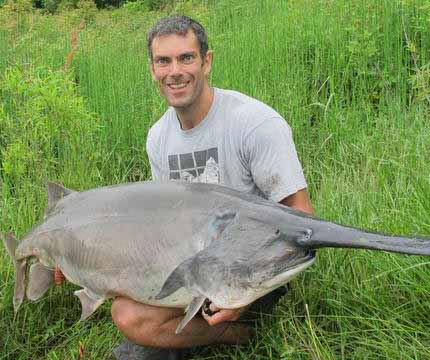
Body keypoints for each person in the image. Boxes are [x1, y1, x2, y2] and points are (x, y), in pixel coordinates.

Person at [110, 15, 313, 360]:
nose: (175, 71)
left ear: (207, 61)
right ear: (152, 70)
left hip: (252, 272)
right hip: (196, 268)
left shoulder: (254, 123)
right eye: (164, 61)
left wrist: (240, 294)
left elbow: (302, 217)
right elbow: (168, 226)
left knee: (143, 342)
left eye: (186, 58)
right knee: (126, 314)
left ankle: (242, 325)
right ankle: (231, 334)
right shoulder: (159, 138)